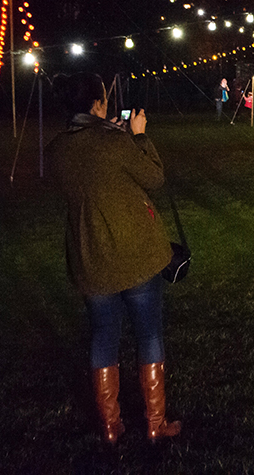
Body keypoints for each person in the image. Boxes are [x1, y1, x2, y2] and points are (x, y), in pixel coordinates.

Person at [46, 73, 181, 445]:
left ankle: (110, 426)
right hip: (134, 251)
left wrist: (112, 135)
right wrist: (136, 135)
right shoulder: (115, 143)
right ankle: (155, 422)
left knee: (103, 337)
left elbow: (89, 175)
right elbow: (154, 177)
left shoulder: (56, 149)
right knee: (148, 334)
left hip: (90, 256)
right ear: (98, 103)